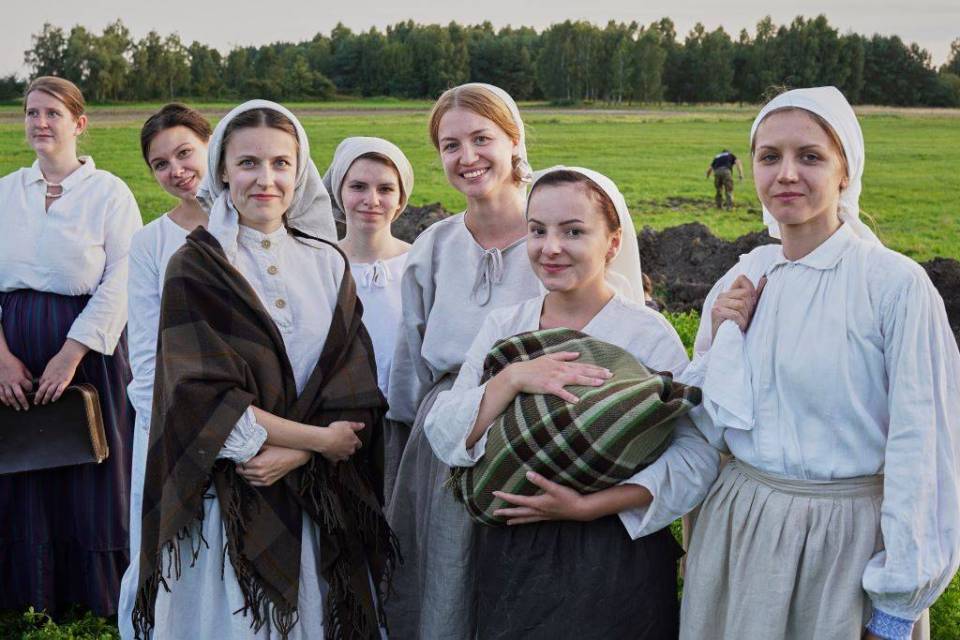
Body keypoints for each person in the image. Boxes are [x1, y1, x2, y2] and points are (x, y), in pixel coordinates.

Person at [678, 87, 960, 640]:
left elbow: (923, 450)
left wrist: (895, 609)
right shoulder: (743, 277)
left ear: (845, 170)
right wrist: (718, 336)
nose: (786, 174)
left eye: (809, 156)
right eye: (770, 157)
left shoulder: (892, 285)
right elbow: (708, 425)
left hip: (843, 549)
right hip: (738, 536)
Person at [131, 100, 395, 639]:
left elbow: (352, 385)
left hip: (316, 494)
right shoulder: (195, 266)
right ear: (223, 171)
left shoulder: (327, 262)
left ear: (300, 172)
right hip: (229, 498)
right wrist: (318, 440)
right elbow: (200, 400)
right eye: (248, 163)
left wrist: (302, 452)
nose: (266, 179)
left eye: (281, 163)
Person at [425, 166, 719, 639]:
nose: (550, 247)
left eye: (574, 231)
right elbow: (443, 433)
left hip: (615, 554)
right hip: (514, 553)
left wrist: (590, 505)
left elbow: (695, 456)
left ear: (613, 243)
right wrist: (512, 379)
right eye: (537, 230)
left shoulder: (645, 333)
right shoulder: (506, 326)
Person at [384, 83, 542, 639]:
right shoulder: (435, 244)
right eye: (451, 145)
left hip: (539, 428)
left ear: (515, 140)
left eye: (481, 138)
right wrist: (414, 438)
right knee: (448, 579)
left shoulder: (557, 230)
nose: (467, 156)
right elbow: (411, 355)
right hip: (450, 428)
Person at [0, 76, 141, 617]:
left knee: (90, 465)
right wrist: (2, 358)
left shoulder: (108, 193)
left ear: (79, 123)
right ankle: (27, 593)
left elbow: (123, 276)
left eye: (52, 113)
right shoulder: (7, 191)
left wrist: (72, 351)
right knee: (23, 462)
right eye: (32, 112)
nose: (40, 122)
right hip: (14, 350)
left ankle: (94, 597)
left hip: (88, 352)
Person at [117, 103, 212, 640]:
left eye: (184, 153)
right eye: (160, 164)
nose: (176, 170)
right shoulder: (151, 241)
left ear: (211, 146)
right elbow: (146, 347)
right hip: (171, 414)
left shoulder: (251, 221)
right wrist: (165, 424)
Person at [324, 136, 414, 398]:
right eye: (358, 187)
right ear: (340, 192)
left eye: (385, 189)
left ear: (400, 199)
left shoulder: (420, 264)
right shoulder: (322, 266)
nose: (372, 200)